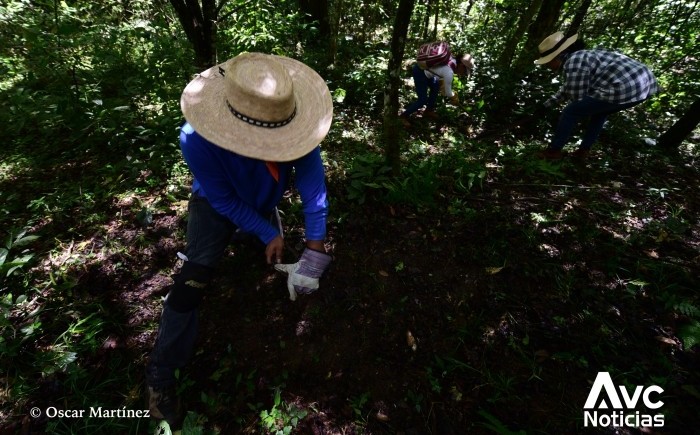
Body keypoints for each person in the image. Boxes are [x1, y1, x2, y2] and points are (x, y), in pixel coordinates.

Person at [145, 52, 334, 432]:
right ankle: (160, 377)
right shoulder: (195, 138)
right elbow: (224, 200)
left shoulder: (295, 124)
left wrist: (315, 248)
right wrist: (267, 232)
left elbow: (313, 189)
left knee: (272, 247)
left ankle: (262, 235)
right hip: (214, 204)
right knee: (194, 278)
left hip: (263, 198)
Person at [534, 31, 658, 160]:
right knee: (599, 112)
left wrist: (567, 113)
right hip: (645, 86)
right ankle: (583, 151)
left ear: (556, 57)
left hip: (626, 86)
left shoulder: (573, 61)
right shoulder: (581, 56)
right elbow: (568, 89)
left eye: (547, 62)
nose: (547, 66)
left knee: (570, 111)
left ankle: (554, 151)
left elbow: (577, 97)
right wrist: (545, 106)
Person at [400, 48, 474, 127]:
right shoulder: (449, 71)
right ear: (461, 65)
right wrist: (454, 97)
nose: (463, 74)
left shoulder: (452, 61)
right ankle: (403, 116)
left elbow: (439, 73)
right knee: (422, 100)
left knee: (435, 87)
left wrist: (443, 85)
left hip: (428, 72)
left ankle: (428, 111)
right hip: (420, 72)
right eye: (464, 71)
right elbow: (448, 92)